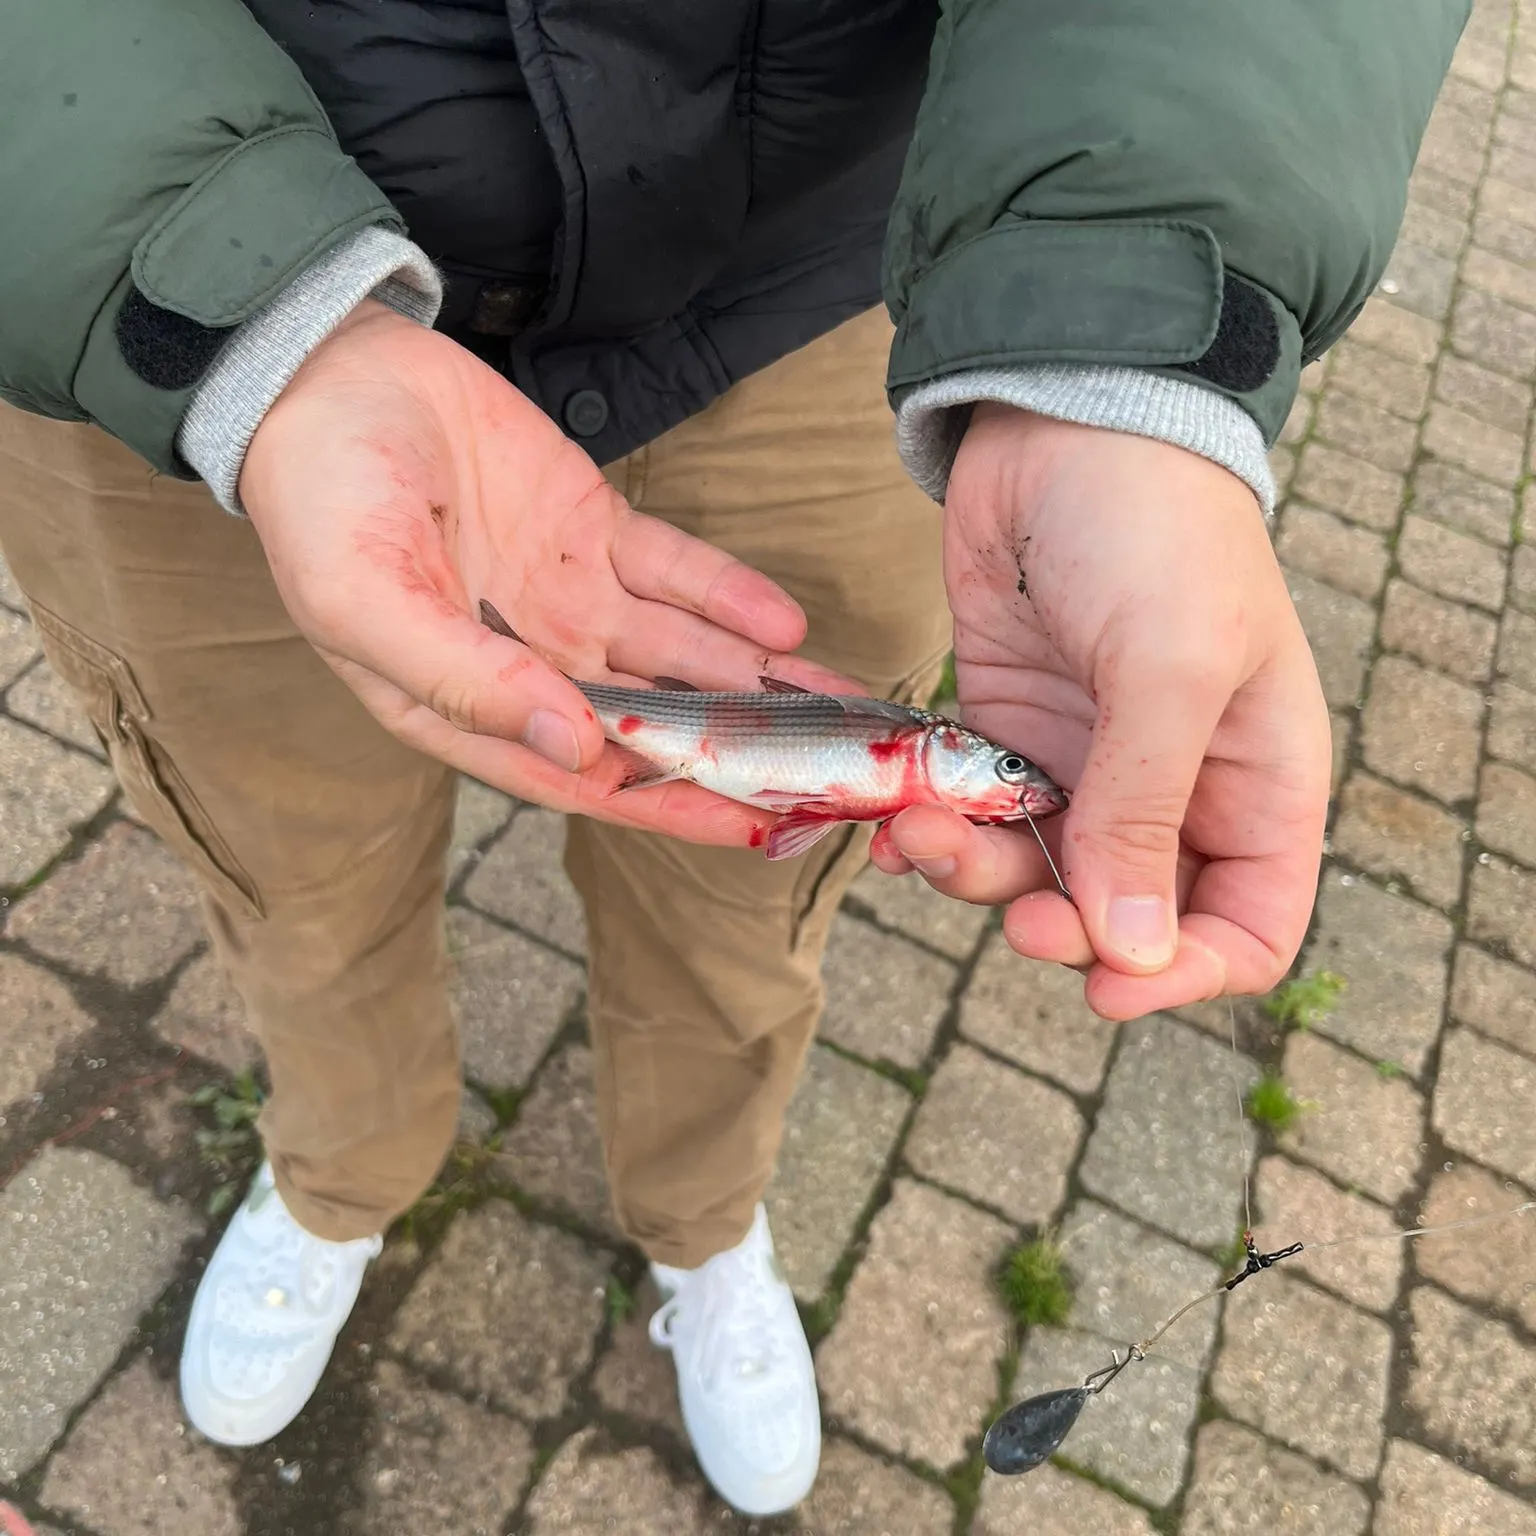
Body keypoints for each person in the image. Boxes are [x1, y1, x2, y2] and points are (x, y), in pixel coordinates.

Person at [0, 0, 1461, 1516]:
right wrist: (211, 285)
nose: (1013, 791)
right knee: (288, 873)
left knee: (746, 924)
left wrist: (1124, 330)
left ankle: (702, 1220)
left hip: (819, 289)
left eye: (1002, 787)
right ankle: (337, 1179)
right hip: (157, 310)